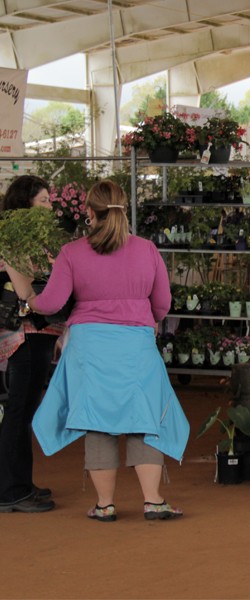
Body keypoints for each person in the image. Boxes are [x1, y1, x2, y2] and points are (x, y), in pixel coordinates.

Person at [16, 180, 190, 523]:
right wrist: (140, 320)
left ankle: (104, 505)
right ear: (124, 211)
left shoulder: (73, 252)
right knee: (145, 420)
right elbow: (163, 304)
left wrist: (29, 298)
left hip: (89, 348)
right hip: (136, 346)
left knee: (97, 422)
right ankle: (153, 502)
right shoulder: (146, 250)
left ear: (89, 213)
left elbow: (51, 303)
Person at [0, 175, 62, 514]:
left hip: (39, 333)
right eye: (43, 201)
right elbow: (27, 294)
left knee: (24, 411)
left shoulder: (33, 239)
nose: (49, 206)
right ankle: (10, 491)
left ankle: (20, 483)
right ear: (25, 203)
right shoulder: (14, 239)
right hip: (23, 335)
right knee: (18, 410)